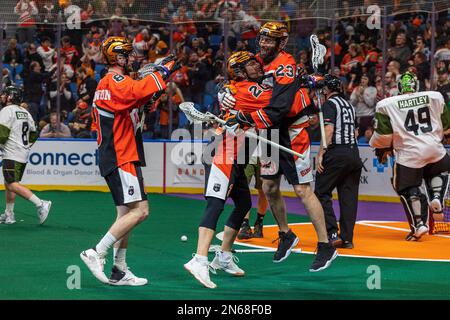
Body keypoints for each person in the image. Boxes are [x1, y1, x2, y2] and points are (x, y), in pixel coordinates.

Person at [221, 22, 337, 272]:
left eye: (269, 40)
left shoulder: (284, 65)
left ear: (281, 43)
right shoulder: (260, 62)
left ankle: (326, 245)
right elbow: (241, 74)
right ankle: (286, 234)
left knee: (302, 189)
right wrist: (225, 89)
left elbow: (280, 107)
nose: (262, 44)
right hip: (272, 132)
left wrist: (246, 118)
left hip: (291, 131)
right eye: (261, 39)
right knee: (270, 186)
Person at [79, 36, 179, 286]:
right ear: (116, 57)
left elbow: (136, 103)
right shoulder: (114, 80)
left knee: (124, 215)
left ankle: (119, 270)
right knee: (141, 211)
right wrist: (162, 72)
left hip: (120, 153)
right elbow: (137, 91)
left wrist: (151, 98)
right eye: (126, 55)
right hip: (120, 154)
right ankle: (95, 252)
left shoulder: (112, 83)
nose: (132, 58)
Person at [184, 51, 269, 289]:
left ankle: (223, 256)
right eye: (251, 64)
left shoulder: (237, 89)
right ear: (240, 71)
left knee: (243, 204)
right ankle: (199, 260)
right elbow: (276, 103)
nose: (257, 66)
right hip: (223, 154)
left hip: (237, 156)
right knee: (216, 204)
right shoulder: (248, 89)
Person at [369, 71, 450, 241]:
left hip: (409, 154)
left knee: (407, 188)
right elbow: (447, 126)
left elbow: (383, 138)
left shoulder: (387, 104)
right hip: (435, 148)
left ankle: (419, 224)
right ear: (417, 85)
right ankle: (436, 197)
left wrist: (377, 146)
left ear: (399, 87)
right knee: (439, 171)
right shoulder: (435, 96)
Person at [314, 75, 363, 249]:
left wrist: (321, 153)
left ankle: (332, 232)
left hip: (337, 153)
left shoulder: (330, 104)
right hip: (354, 153)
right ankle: (347, 238)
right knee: (349, 197)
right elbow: (356, 132)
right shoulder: (349, 105)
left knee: (320, 191)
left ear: (327, 90)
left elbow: (329, 130)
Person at [0, 85, 51, 225]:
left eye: (4, 94)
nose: (2, 96)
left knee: (11, 184)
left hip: (11, 153)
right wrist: (25, 146)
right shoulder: (25, 112)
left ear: (10, 97)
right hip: (22, 153)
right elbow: (34, 133)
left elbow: (2, 135)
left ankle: (41, 203)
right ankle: (9, 214)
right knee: (9, 182)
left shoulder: (6, 110)